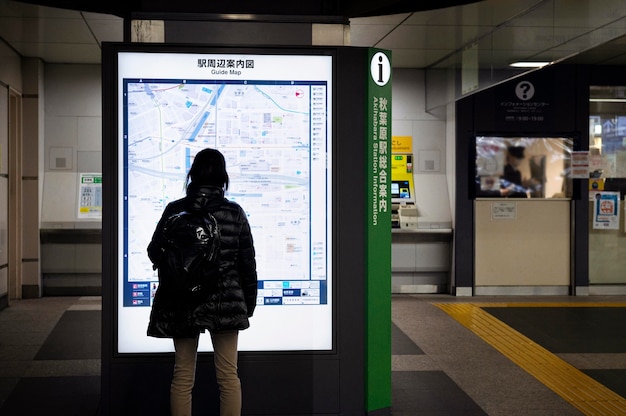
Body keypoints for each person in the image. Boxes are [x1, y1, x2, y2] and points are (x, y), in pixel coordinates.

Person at [146, 148, 258, 416]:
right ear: (223, 178)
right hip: (225, 302)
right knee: (228, 377)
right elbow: (247, 266)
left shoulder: (175, 210)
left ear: (192, 176)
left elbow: (153, 251)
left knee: (183, 376)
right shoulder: (235, 213)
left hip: (182, 301)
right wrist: (247, 306)